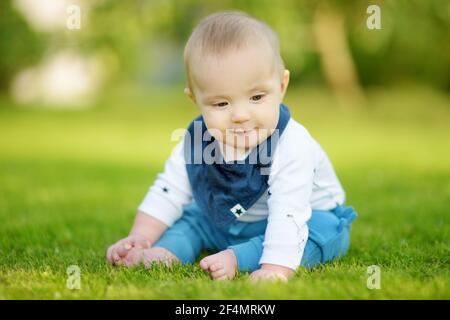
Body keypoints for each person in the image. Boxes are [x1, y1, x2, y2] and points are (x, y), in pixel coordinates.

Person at [106, 11, 357, 282]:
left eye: (257, 97)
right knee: (193, 218)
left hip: (302, 217)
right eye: (221, 103)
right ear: (195, 100)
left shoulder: (292, 143)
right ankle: (166, 252)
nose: (240, 115)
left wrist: (275, 269)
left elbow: (288, 211)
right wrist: (140, 236)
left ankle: (239, 257)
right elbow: (169, 190)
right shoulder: (199, 141)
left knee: (326, 231)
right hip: (228, 221)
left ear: (281, 86)